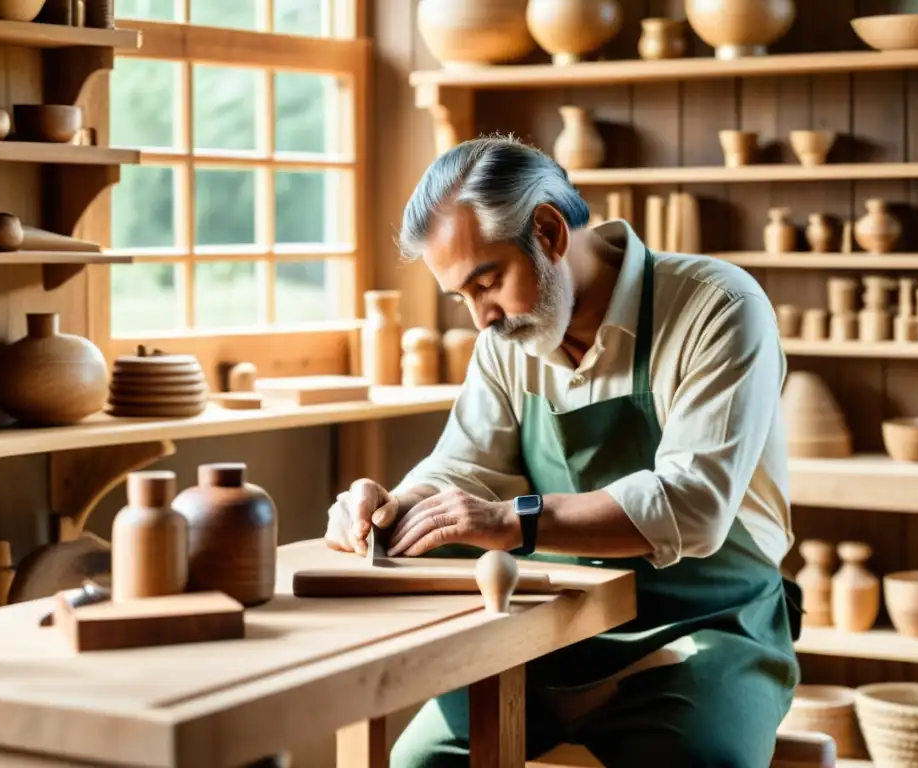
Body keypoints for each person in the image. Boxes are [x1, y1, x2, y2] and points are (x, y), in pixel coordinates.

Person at [325, 135, 801, 767]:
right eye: (461, 297)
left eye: (487, 283)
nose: (481, 320)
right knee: (422, 762)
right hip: (550, 629)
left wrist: (510, 519)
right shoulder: (506, 341)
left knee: (698, 760)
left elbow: (694, 505)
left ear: (548, 231)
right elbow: (465, 464)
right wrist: (392, 505)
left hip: (708, 627)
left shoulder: (717, 308)